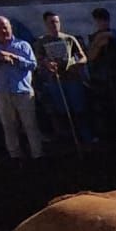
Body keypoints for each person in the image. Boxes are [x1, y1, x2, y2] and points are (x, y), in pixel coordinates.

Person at [0, 17, 41, 160]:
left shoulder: (23, 45)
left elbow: (33, 65)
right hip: (2, 92)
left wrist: (15, 58)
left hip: (23, 90)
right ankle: (15, 155)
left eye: (5, 26)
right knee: (8, 126)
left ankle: (37, 154)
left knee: (30, 124)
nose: (3, 30)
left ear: (10, 27)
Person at [36, 11, 93, 144]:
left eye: (56, 21)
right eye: (51, 22)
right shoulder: (41, 41)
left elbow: (83, 57)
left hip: (73, 80)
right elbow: (38, 60)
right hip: (55, 81)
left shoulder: (69, 39)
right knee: (61, 111)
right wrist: (47, 63)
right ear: (45, 24)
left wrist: (76, 63)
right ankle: (68, 139)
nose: (54, 25)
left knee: (80, 109)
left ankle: (86, 137)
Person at [86, 8, 116, 141]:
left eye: (104, 20)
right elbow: (90, 57)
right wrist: (97, 43)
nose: (102, 23)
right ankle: (109, 136)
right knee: (105, 111)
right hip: (102, 81)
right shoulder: (93, 37)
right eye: (99, 20)